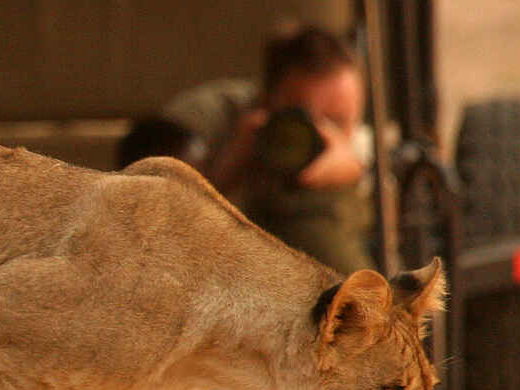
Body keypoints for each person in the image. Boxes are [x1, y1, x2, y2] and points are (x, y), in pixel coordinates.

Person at [119, 27, 374, 273]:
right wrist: (226, 169)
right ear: (265, 99)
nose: (317, 136)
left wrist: (348, 177)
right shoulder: (210, 119)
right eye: (299, 118)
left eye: (338, 122)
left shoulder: (358, 153)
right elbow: (150, 214)